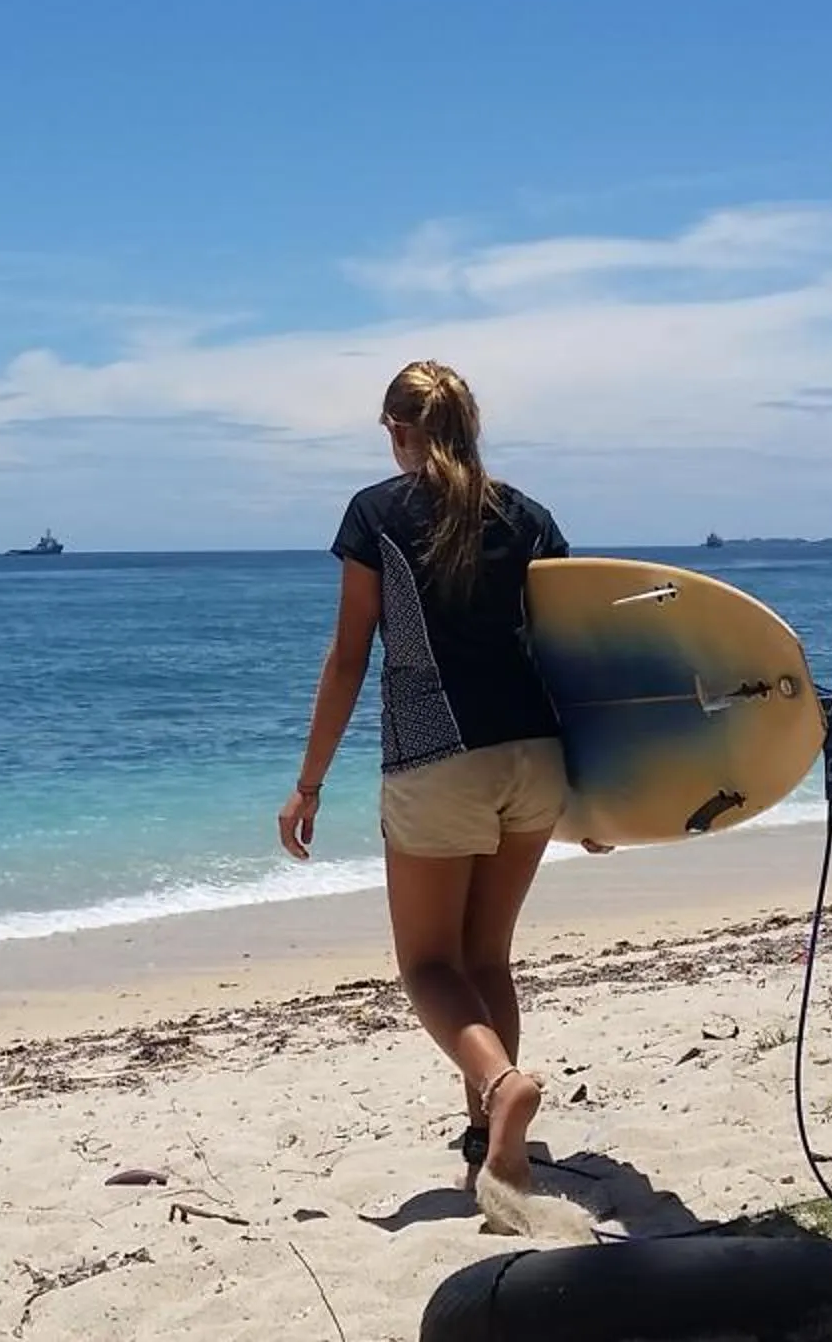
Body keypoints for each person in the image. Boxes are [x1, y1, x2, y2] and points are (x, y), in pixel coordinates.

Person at [279, 360, 589, 1237]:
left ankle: (500, 1090)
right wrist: (599, 793)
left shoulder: (377, 514)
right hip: (536, 759)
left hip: (434, 757)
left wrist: (308, 785)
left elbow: (349, 657)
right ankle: (492, 1155)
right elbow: (575, 650)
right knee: (485, 958)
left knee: (427, 966)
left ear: (398, 431)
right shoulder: (527, 517)